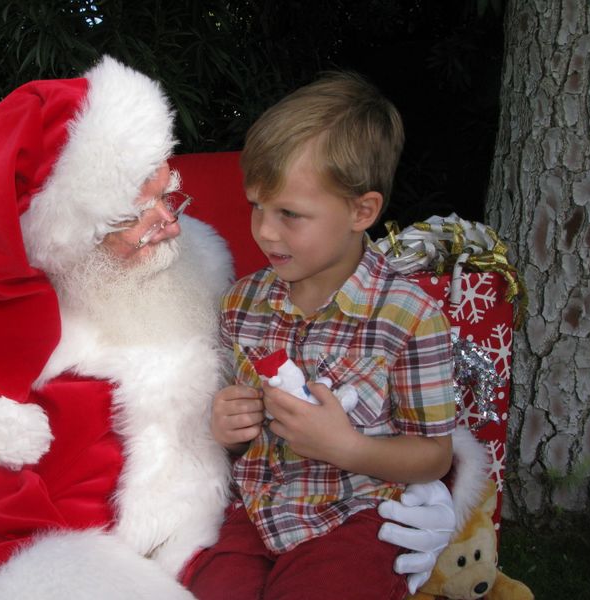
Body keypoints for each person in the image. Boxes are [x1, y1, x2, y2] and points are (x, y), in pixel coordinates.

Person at [0, 57, 458, 600]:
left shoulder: (213, 270)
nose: (170, 222)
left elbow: (391, 399)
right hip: (73, 570)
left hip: (227, 532)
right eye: (138, 212)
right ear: (68, 234)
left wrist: (431, 489)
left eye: (168, 191)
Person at [188, 72, 458, 599]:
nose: (265, 230)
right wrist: (225, 424)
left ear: (363, 211)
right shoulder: (241, 303)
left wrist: (348, 446)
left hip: (355, 518)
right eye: (256, 206)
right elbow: (229, 423)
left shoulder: (410, 316)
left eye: (290, 213)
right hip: (255, 512)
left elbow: (434, 456)